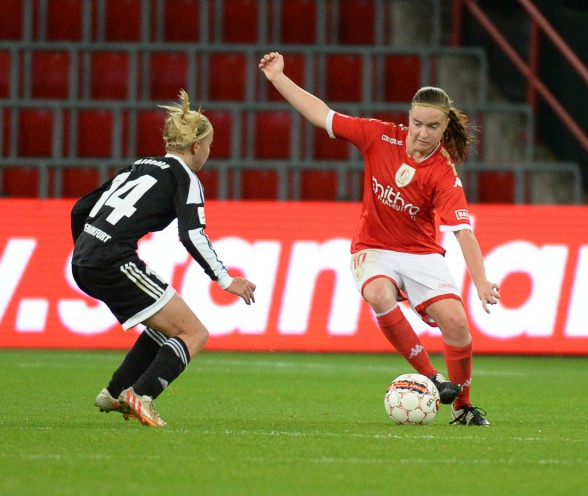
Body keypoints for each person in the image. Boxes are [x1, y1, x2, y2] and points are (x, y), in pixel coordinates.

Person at [259, 52, 500, 426]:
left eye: (432, 127)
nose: (422, 133)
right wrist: (278, 78)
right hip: (373, 248)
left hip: (421, 252)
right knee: (378, 293)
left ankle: (462, 406)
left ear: (444, 127)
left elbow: (463, 232)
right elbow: (322, 115)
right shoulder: (379, 136)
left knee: (456, 323)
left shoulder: (443, 173)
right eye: (417, 123)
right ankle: (432, 376)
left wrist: (481, 281)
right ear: (408, 118)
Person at [70, 90, 256, 427]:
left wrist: (83, 249)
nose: (210, 152)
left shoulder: (138, 166)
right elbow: (192, 235)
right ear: (196, 146)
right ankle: (141, 396)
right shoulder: (185, 178)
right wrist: (227, 280)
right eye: (210, 145)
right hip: (112, 260)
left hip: (84, 257)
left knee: (165, 327)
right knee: (194, 333)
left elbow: (81, 208)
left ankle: (115, 392)